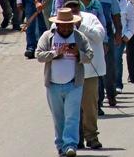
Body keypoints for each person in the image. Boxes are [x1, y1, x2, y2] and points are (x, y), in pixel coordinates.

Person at [36, 8, 94, 157]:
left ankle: (70, 145)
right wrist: (56, 53)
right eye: (63, 26)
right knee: (58, 118)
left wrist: (78, 53)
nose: (67, 29)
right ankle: (61, 146)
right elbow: (39, 55)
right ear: (57, 25)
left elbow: (89, 55)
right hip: (53, 85)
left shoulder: (79, 37)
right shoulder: (48, 36)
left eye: (69, 26)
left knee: (72, 116)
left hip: (74, 84)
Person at [62, 0, 105, 150]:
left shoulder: (90, 18)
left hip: (89, 72)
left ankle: (92, 137)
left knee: (90, 107)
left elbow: (100, 36)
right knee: (72, 108)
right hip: (68, 73)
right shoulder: (58, 23)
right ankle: (76, 138)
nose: (72, 10)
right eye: (69, 7)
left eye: (75, 6)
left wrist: (81, 26)